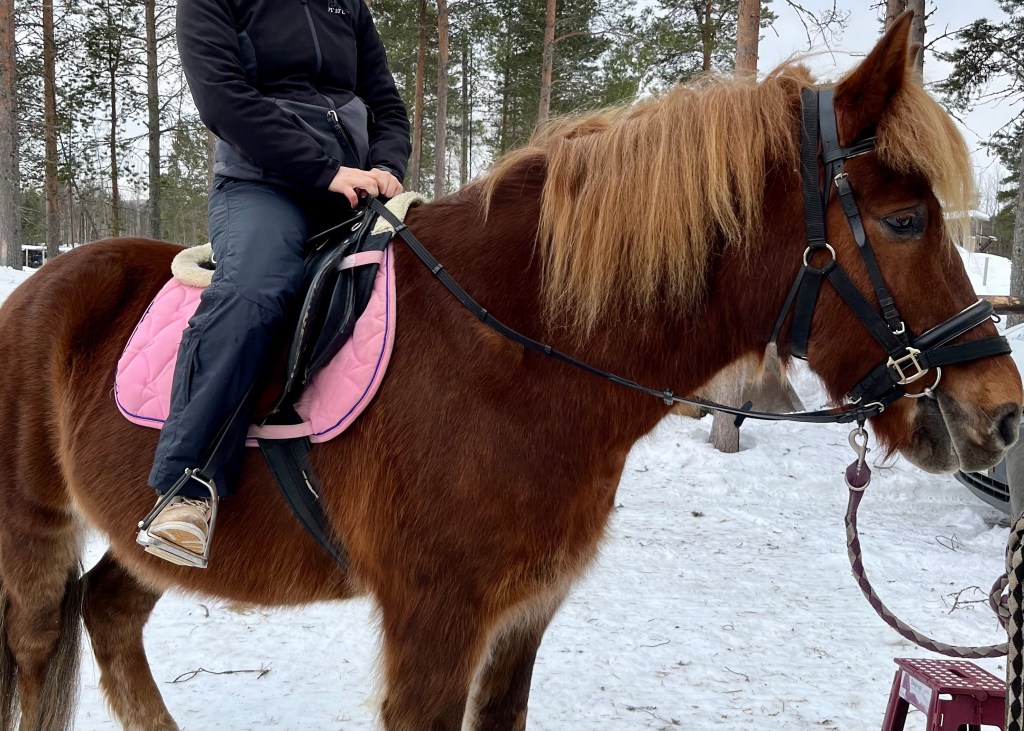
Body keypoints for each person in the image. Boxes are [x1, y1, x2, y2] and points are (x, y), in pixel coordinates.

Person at [137, 0, 411, 567]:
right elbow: (223, 99)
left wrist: (387, 165)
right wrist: (323, 170)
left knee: (430, 277)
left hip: (359, 187)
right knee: (255, 290)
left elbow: (385, 102)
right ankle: (187, 484)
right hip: (262, 185)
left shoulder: (347, 6)